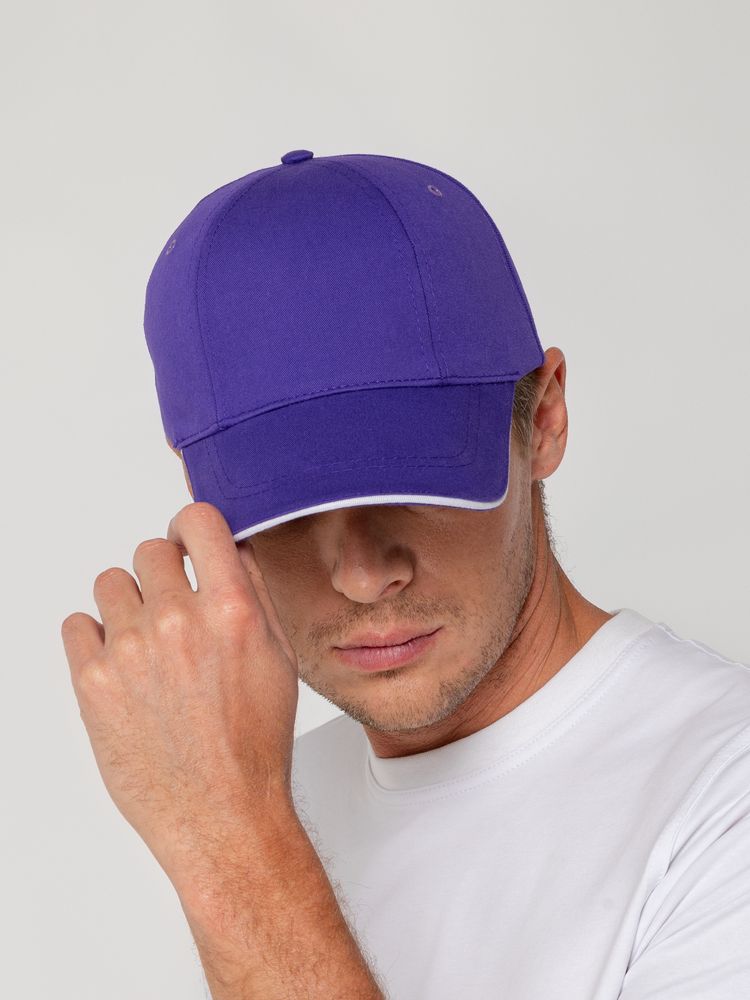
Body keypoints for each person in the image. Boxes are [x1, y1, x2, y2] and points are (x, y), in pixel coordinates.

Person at [68, 150, 750, 999]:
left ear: (543, 420)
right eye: (290, 507)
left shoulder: (720, 799)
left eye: (416, 483)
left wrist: (228, 848)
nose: (362, 575)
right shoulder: (271, 790)